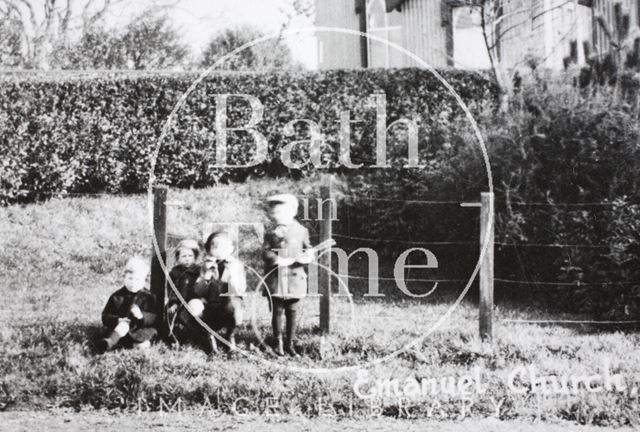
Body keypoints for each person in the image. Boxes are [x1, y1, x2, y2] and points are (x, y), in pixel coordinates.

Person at [262, 193, 314, 358]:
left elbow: (308, 249)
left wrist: (308, 257)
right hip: (276, 278)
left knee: (292, 312)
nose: (276, 216)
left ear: (293, 212)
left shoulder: (301, 230)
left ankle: (290, 343)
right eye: (274, 213)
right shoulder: (270, 233)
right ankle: (278, 343)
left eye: (281, 212)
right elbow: (265, 251)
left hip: (294, 278)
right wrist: (276, 259)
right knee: (277, 311)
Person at [184, 231, 246, 354]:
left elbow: (241, 289)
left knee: (235, 304)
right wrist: (206, 276)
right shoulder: (206, 265)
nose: (219, 250)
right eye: (215, 246)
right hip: (210, 304)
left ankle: (230, 335)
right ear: (208, 249)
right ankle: (209, 336)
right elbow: (198, 291)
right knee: (194, 305)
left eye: (224, 247)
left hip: (228, 304)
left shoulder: (236, 265)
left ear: (231, 249)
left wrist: (232, 278)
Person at [97, 257, 157, 353]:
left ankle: (127, 344)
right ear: (124, 277)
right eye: (130, 278)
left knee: (144, 342)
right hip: (119, 329)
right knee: (122, 326)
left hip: (139, 329)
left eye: (137, 279)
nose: (133, 282)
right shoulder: (117, 296)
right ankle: (109, 342)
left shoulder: (148, 297)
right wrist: (117, 320)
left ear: (144, 280)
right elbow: (105, 315)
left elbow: (154, 317)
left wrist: (142, 316)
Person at [165, 239, 201, 345]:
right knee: (169, 313)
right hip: (178, 301)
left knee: (192, 315)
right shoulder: (175, 272)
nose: (187, 259)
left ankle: (194, 336)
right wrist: (174, 302)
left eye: (190, 256)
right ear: (178, 258)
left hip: (193, 301)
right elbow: (171, 288)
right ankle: (171, 337)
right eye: (184, 256)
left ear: (195, 257)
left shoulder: (198, 271)